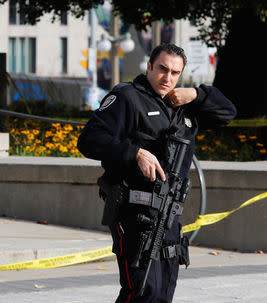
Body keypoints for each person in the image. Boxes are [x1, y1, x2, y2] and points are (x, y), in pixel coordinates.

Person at [77, 43, 236, 303]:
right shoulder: (127, 97)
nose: (168, 78)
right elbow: (89, 140)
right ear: (149, 66)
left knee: (163, 291)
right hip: (132, 210)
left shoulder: (183, 104)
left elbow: (228, 112)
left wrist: (195, 94)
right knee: (141, 290)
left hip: (168, 213)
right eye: (162, 69)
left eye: (175, 73)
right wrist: (135, 153)